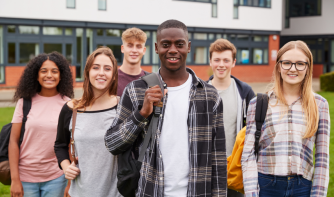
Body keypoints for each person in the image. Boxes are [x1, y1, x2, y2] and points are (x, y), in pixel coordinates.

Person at [105, 19, 227, 197]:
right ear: (156, 48)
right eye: (165, 44)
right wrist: (141, 114)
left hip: (197, 191)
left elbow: (218, 157)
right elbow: (112, 143)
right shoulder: (136, 90)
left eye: (179, 44)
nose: (172, 50)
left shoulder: (209, 95)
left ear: (188, 46)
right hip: (150, 191)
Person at [241, 41, 330, 197]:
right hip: (266, 185)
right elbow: (248, 155)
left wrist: (318, 194)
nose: (293, 69)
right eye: (287, 63)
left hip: (303, 187)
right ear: (278, 66)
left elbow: (322, 158)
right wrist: (252, 194)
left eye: (300, 64)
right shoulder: (259, 103)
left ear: (308, 67)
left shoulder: (320, 105)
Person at [54, 47, 122, 197]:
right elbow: (59, 145)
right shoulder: (71, 109)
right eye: (95, 67)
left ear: (114, 75)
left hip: (117, 193)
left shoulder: (122, 107)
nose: (101, 73)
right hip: (81, 192)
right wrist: (66, 167)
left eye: (107, 68)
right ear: (87, 72)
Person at [9, 52, 74, 197]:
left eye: (54, 71)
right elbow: (13, 141)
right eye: (43, 71)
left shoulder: (68, 104)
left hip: (56, 177)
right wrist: (15, 179)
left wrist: (70, 182)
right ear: (36, 76)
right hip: (25, 177)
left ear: (61, 75)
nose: (49, 75)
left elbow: (70, 145)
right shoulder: (24, 102)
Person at [207, 39, 255, 197]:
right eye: (217, 60)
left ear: (233, 62)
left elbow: (255, 130)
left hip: (234, 168)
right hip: (206, 167)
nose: (221, 64)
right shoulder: (199, 92)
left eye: (226, 60)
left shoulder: (245, 92)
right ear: (210, 61)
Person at [117, 27, 149, 96]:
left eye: (138, 46)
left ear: (144, 50)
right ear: (122, 48)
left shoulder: (151, 80)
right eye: (130, 46)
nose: (134, 50)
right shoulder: (111, 79)